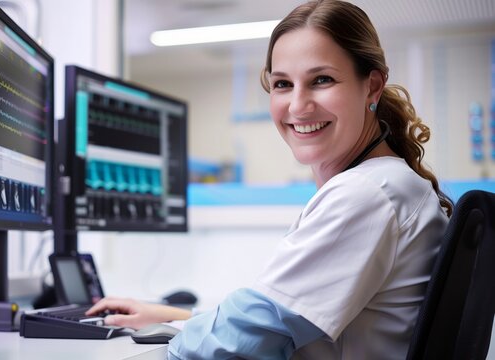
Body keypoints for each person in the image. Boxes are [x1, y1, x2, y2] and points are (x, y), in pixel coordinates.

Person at [86, 0, 452, 358]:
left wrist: (170, 342)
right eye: (282, 84)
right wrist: (180, 319)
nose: (297, 105)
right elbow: (274, 318)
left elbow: (247, 338)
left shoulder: (367, 194)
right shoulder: (387, 183)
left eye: (321, 80)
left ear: (371, 86)